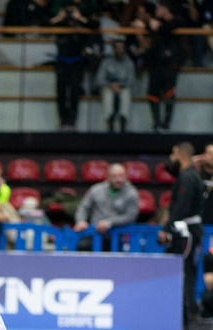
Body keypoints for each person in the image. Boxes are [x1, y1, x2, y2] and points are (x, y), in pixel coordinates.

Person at [160, 141, 205, 330]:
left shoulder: (188, 178)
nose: (171, 159)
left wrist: (167, 228)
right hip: (188, 232)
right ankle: (187, 316)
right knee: (185, 272)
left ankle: (189, 318)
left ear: (181, 155)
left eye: (173, 154)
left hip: (187, 234)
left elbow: (181, 208)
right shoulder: (188, 176)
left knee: (184, 273)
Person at [49, 0, 99, 131]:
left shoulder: (82, 22)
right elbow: (45, 25)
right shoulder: (61, 23)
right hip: (62, 61)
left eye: (73, 10)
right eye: (68, 10)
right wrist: (59, 18)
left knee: (75, 92)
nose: (70, 13)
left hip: (76, 61)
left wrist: (80, 18)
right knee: (61, 92)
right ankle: (63, 120)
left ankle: (72, 120)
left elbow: (95, 26)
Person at [72, 163, 140, 251]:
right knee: (82, 247)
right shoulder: (96, 190)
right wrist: (80, 221)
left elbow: (130, 216)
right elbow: (84, 207)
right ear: (108, 177)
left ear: (126, 176)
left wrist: (109, 223)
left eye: (121, 176)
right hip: (94, 234)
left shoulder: (132, 194)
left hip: (117, 236)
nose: (118, 179)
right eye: (114, 176)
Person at [138, 1, 181, 131]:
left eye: (159, 8)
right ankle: (156, 123)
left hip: (170, 62)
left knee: (169, 92)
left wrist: (151, 24)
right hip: (155, 62)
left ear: (165, 9)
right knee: (152, 92)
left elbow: (164, 27)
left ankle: (166, 123)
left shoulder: (176, 20)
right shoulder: (156, 21)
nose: (156, 10)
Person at [98, 38, 134, 133]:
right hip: (109, 86)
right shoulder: (106, 62)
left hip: (122, 87)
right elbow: (99, 79)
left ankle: (123, 119)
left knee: (126, 93)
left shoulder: (128, 62)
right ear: (113, 49)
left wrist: (119, 85)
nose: (120, 50)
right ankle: (109, 120)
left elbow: (131, 80)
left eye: (122, 48)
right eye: (117, 47)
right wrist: (110, 84)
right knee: (107, 93)